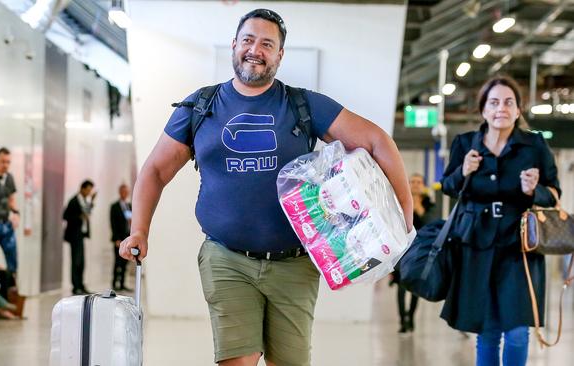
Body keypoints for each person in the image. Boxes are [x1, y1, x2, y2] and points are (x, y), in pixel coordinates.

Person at [119, 9, 413, 366]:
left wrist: (404, 213)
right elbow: (155, 170)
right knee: (238, 360)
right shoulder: (201, 106)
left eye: (267, 43)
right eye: (248, 40)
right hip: (226, 259)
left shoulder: (303, 105)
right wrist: (139, 231)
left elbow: (377, 141)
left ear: (280, 55)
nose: (255, 49)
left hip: (295, 264)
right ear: (234, 45)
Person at [440, 76, 559, 366]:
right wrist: (464, 171)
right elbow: (447, 186)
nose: (501, 109)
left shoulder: (534, 145)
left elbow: (554, 196)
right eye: (493, 102)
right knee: (488, 332)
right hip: (476, 246)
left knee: (518, 332)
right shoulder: (465, 143)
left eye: (508, 102)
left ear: (518, 111)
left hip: (519, 249)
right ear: (483, 109)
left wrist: (536, 190)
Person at [391, 173, 433, 333]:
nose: (415, 185)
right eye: (412, 182)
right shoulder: (400, 201)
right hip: (403, 252)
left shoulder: (428, 204)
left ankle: (411, 317)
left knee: (415, 289)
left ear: (423, 185)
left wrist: (419, 209)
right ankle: (402, 320)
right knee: (401, 288)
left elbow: (430, 224)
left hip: (420, 252)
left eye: (418, 182)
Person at [63, 180, 95, 295]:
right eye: (88, 189)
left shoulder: (85, 201)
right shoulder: (74, 200)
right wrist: (80, 216)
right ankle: (75, 286)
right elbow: (66, 215)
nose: (89, 192)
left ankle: (80, 284)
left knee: (81, 261)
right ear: (82, 188)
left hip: (81, 235)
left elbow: (87, 212)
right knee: (76, 261)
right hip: (74, 235)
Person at [110, 184, 132, 291]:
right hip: (119, 239)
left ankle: (122, 283)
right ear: (120, 192)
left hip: (127, 237)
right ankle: (115, 284)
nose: (125, 193)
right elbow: (113, 224)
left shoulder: (129, 206)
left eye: (126, 191)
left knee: (125, 262)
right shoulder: (114, 207)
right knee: (117, 262)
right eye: (123, 191)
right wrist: (116, 239)